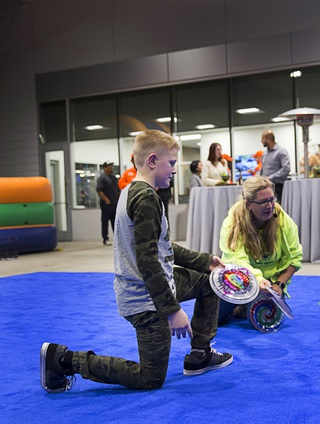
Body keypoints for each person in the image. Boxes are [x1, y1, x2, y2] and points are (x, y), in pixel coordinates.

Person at [40, 130, 233, 394]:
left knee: (210, 283)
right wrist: (171, 310)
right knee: (150, 379)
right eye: (172, 163)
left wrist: (205, 261)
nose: (175, 170)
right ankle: (63, 360)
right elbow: (148, 261)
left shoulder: (133, 190)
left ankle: (201, 354)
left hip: (157, 285)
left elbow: (160, 245)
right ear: (153, 161)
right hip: (145, 299)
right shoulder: (147, 199)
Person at [218, 176, 302, 325]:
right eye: (263, 202)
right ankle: (241, 306)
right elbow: (237, 261)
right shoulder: (232, 223)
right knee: (213, 319)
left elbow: (295, 258)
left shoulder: (282, 219)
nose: (270, 206)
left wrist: (279, 285)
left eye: (272, 199)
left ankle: (244, 308)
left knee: (266, 321)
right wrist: (258, 281)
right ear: (249, 204)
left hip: (271, 284)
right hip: (239, 280)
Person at [260, 130, 290, 201]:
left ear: (268, 139)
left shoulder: (281, 152)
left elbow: (286, 168)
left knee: (277, 208)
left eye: (263, 139)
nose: (261, 141)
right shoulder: (265, 154)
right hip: (265, 187)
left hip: (278, 187)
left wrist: (270, 178)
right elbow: (262, 170)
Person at [96, 161, 120, 246]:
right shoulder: (102, 178)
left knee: (115, 222)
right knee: (105, 221)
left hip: (115, 203)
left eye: (112, 166)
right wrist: (106, 199)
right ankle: (105, 239)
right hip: (106, 204)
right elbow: (99, 190)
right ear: (105, 168)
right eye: (109, 166)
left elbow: (118, 189)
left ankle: (117, 239)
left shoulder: (114, 178)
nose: (111, 168)